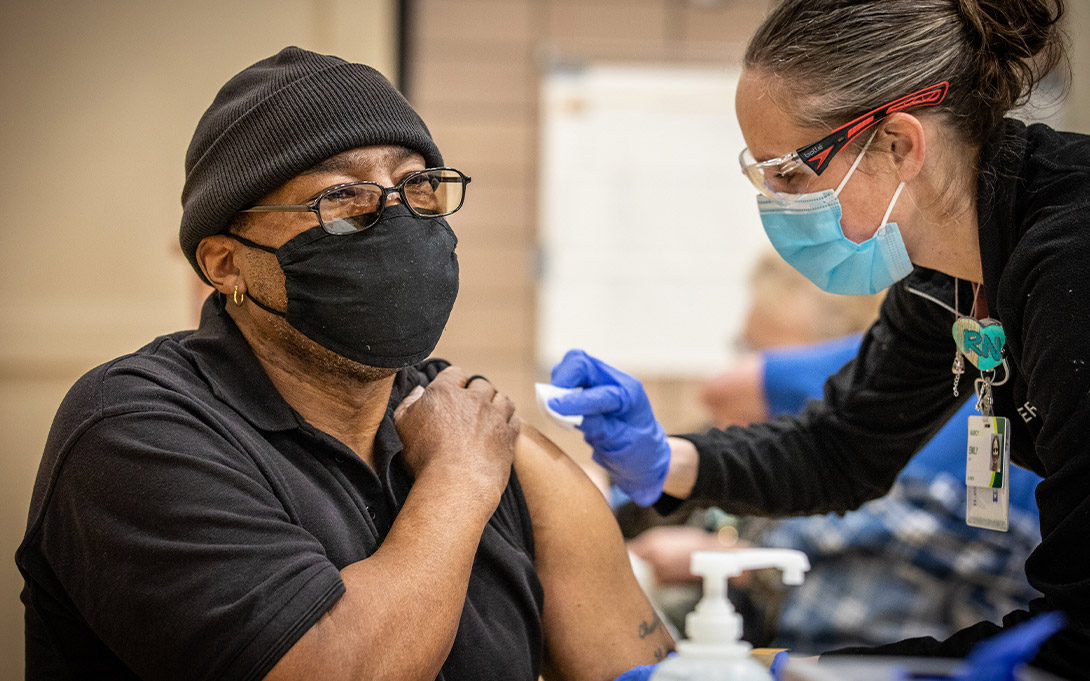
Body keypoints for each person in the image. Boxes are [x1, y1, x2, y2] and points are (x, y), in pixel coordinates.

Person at [15, 47, 673, 681]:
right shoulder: (133, 431)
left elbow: (636, 664)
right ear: (225, 262)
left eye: (418, 186)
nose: (394, 216)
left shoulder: (479, 425)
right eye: (345, 199)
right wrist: (459, 477)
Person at [546, 1, 1090, 677]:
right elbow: (844, 447)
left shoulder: (1071, 266)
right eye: (761, 173)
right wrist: (668, 462)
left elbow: (1084, 637)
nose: (773, 202)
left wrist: (805, 672)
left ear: (899, 145)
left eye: (792, 173)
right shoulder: (950, 276)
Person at [631, 253, 1041, 652]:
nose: (756, 365)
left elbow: (723, 389)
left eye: (767, 352)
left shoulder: (917, 424)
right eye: (745, 347)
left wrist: (742, 564)